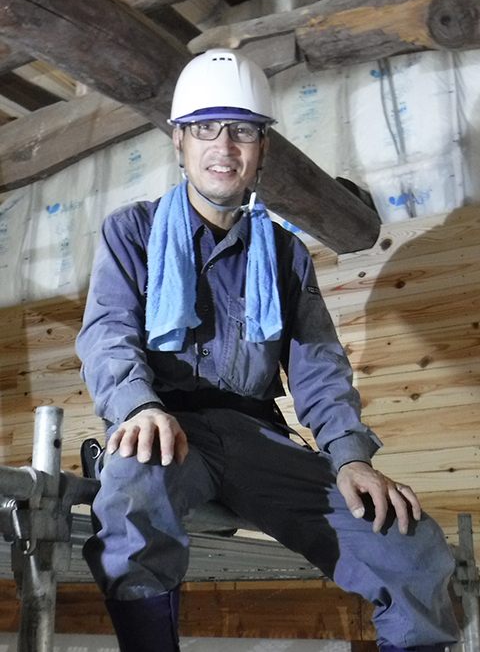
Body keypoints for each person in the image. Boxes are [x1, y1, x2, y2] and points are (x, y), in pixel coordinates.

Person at [76, 49, 459, 652]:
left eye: (243, 129)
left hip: (258, 439)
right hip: (166, 427)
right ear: (179, 140)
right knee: (132, 487)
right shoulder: (132, 231)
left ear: (263, 147)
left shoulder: (284, 254)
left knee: (411, 542)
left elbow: (319, 366)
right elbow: (107, 333)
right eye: (206, 128)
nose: (224, 146)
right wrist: (137, 407)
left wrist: (350, 456)